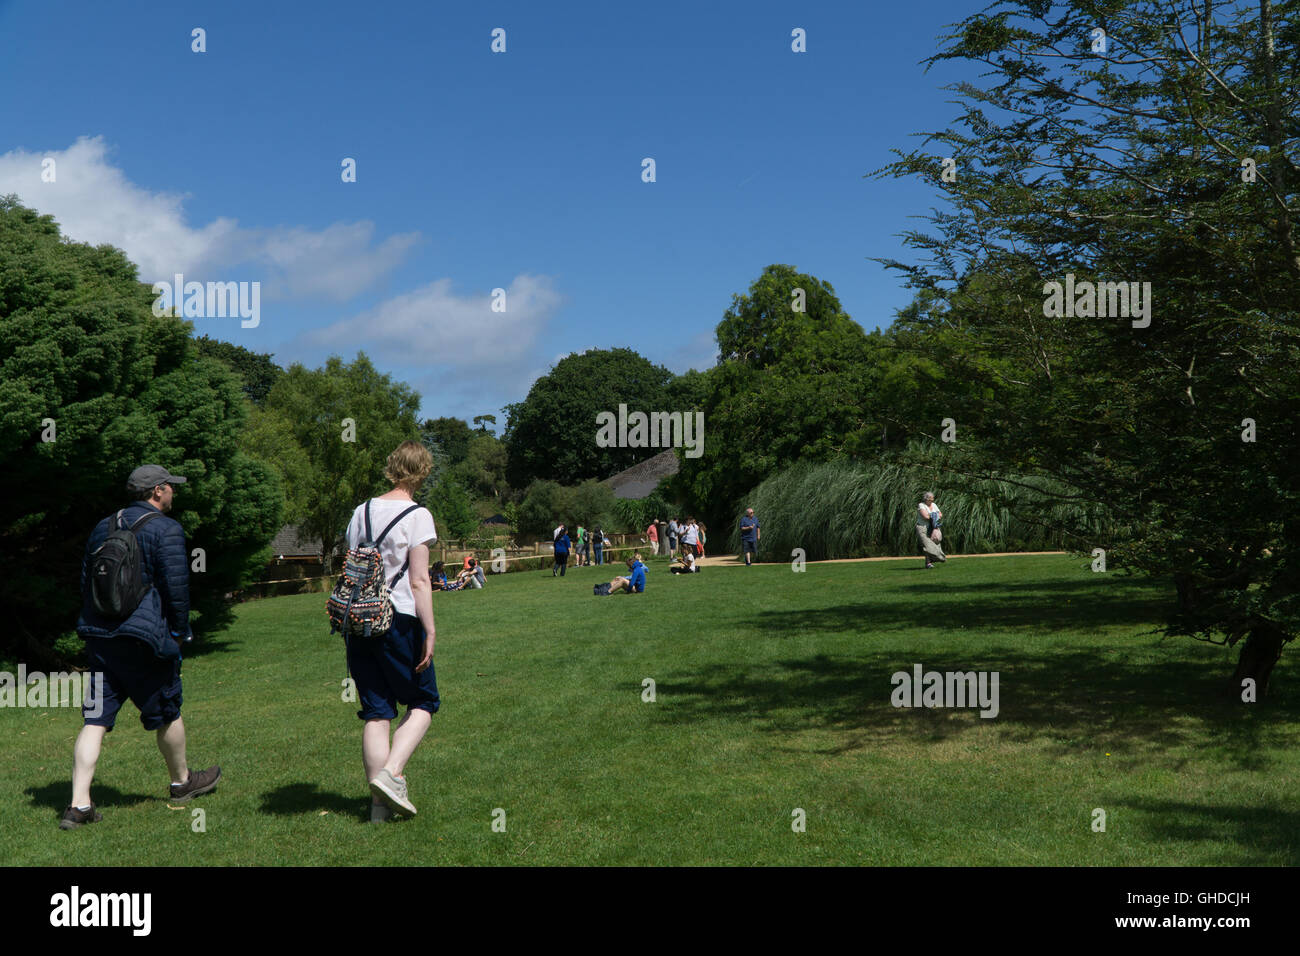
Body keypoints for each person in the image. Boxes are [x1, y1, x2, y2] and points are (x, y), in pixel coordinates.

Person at [66, 464, 221, 830]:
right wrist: (180, 631)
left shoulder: (102, 527)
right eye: (171, 488)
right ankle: (182, 782)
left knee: (95, 720)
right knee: (166, 709)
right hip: (144, 641)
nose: (174, 494)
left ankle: (78, 805)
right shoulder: (165, 529)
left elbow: (86, 581)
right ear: (157, 492)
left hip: (100, 638)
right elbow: (177, 589)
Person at [344, 441, 440, 821]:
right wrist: (430, 630)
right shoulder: (419, 515)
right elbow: (419, 581)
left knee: (377, 711)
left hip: (358, 620)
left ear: (392, 468)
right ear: (423, 472)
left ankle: (378, 811)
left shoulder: (361, 511)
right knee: (424, 702)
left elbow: (351, 565)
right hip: (398, 619)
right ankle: (391, 773)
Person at [917, 492, 947, 569]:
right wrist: (934, 515)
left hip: (933, 527)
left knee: (935, 544)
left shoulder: (934, 505)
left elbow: (940, 514)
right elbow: (925, 516)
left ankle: (928, 563)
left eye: (932, 499)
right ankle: (940, 558)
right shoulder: (921, 505)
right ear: (926, 499)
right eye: (930, 499)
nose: (932, 501)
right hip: (923, 528)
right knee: (927, 545)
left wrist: (934, 515)